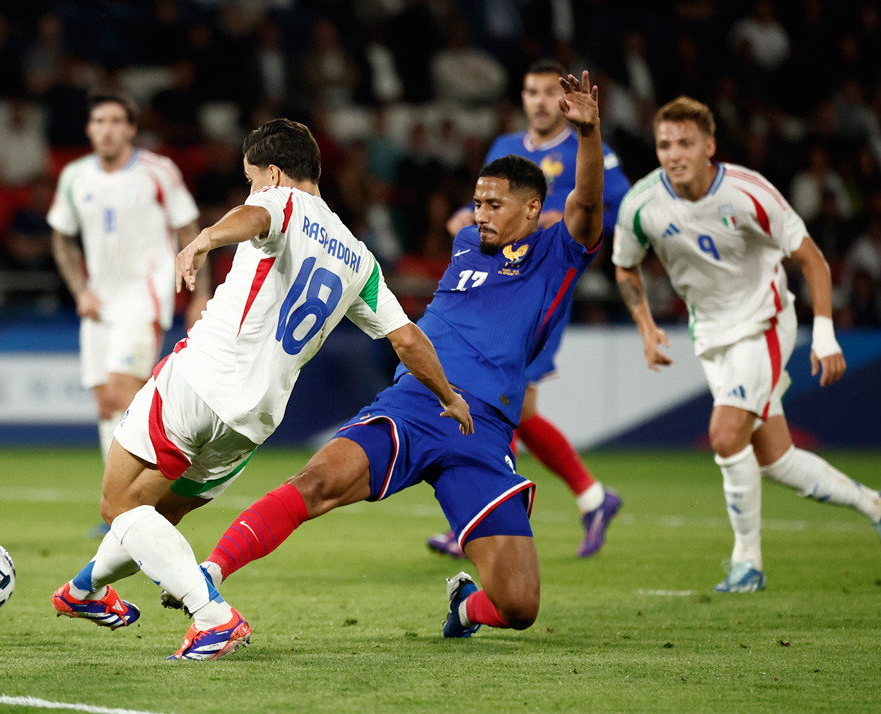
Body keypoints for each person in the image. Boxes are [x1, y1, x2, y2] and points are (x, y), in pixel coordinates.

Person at [181, 72, 605, 639]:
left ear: (532, 211)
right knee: (318, 483)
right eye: (476, 202)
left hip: (484, 428)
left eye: (494, 205)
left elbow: (587, 202)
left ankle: (465, 606)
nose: (478, 213)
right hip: (417, 402)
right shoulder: (463, 244)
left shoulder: (557, 251)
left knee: (519, 606)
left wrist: (588, 136)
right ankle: (209, 572)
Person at [51, 118, 472, 660]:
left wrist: (205, 237)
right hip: (256, 417)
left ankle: (213, 617)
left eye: (252, 179)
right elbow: (407, 339)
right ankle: (84, 591)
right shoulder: (357, 256)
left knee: (118, 506)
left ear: (272, 174)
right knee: (155, 516)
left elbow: (255, 214)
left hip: (200, 377)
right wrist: (447, 396)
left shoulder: (281, 203)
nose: (253, 189)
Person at [612, 96, 881, 592]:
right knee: (775, 460)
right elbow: (625, 266)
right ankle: (880, 505)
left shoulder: (749, 193)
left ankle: (747, 563)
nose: (674, 154)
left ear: (710, 147)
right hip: (710, 333)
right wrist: (645, 327)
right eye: (664, 144)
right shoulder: (643, 203)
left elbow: (812, 260)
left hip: (765, 321)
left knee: (726, 437)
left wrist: (826, 336)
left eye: (685, 143)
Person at [429, 60, 632, 560]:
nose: (540, 101)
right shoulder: (504, 148)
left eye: (547, 92)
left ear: (562, 100)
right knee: (511, 406)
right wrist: (466, 216)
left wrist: (561, 217)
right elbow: (488, 203)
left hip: (544, 282)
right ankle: (587, 498)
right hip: (498, 281)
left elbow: (615, 204)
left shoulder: (586, 147)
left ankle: (486, 517)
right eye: (530, 91)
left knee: (508, 404)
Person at [48, 92, 207, 463]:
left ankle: (137, 500)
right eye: (100, 121)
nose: (107, 129)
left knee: (123, 394)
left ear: (132, 129)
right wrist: (80, 290)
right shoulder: (75, 176)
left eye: (117, 121)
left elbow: (190, 233)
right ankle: (117, 510)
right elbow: (62, 239)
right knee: (106, 404)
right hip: (98, 303)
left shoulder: (158, 171)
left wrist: (200, 295)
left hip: (143, 297)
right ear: (88, 129)